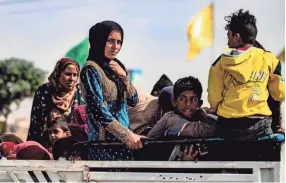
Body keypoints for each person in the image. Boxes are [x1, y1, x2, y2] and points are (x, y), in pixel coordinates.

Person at [208, 9, 285, 140]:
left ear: (236, 37)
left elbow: (214, 100)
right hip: (260, 125)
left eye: (228, 36)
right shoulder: (270, 59)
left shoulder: (219, 63)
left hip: (228, 127)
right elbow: (279, 94)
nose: (227, 41)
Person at [80, 20, 145, 160]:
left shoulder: (116, 67)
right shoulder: (91, 69)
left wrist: (124, 77)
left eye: (119, 42)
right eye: (110, 41)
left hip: (124, 143)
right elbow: (98, 111)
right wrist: (126, 135)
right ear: (99, 40)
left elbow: (133, 100)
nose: (115, 47)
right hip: (103, 145)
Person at [27, 58, 81, 148]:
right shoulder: (44, 91)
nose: (72, 79)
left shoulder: (80, 94)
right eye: (68, 74)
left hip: (73, 148)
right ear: (58, 74)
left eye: (75, 75)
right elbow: (35, 124)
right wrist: (33, 148)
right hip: (45, 146)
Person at [147, 76, 216, 139]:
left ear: (199, 103)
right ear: (174, 102)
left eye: (193, 100)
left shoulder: (190, 118)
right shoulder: (170, 120)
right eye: (183, 99)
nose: (188, 104)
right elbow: (209, 130)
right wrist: (201, 113)